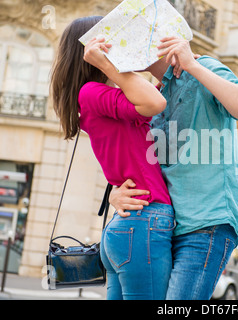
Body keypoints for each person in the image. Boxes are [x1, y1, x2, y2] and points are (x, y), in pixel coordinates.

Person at [109, 36, 238, 300]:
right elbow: (147, 167)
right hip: (165, 226)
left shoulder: (204, 67)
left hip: (207, 223)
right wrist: (115, 193)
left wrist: (192, 64)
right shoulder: (154, 97)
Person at [50, 16, 176, 300]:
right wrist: (108, 64)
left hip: (133, 223)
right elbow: (156, 103)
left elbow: (156, 94)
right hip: (145, 220)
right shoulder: (92, 93)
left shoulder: (102, 96)